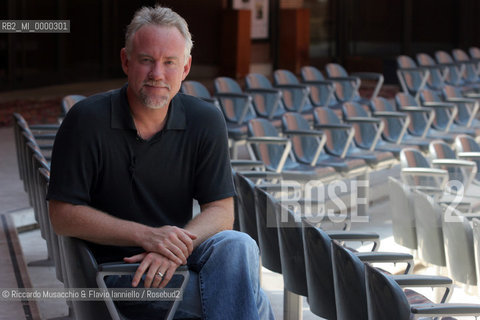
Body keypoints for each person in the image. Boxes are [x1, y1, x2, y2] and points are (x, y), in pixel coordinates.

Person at [47, 5, 275, 320]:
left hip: (177, 259)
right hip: (117, 273)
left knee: (237, 244)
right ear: (126, 61)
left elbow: (222, 212)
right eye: (146, 60)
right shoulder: (86, 120)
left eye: (169, 62)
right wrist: (147, 236)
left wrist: (172, 247)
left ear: (186, 67)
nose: (157, 74)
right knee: (250, 298)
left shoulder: (205, 120)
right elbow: (62, 215)